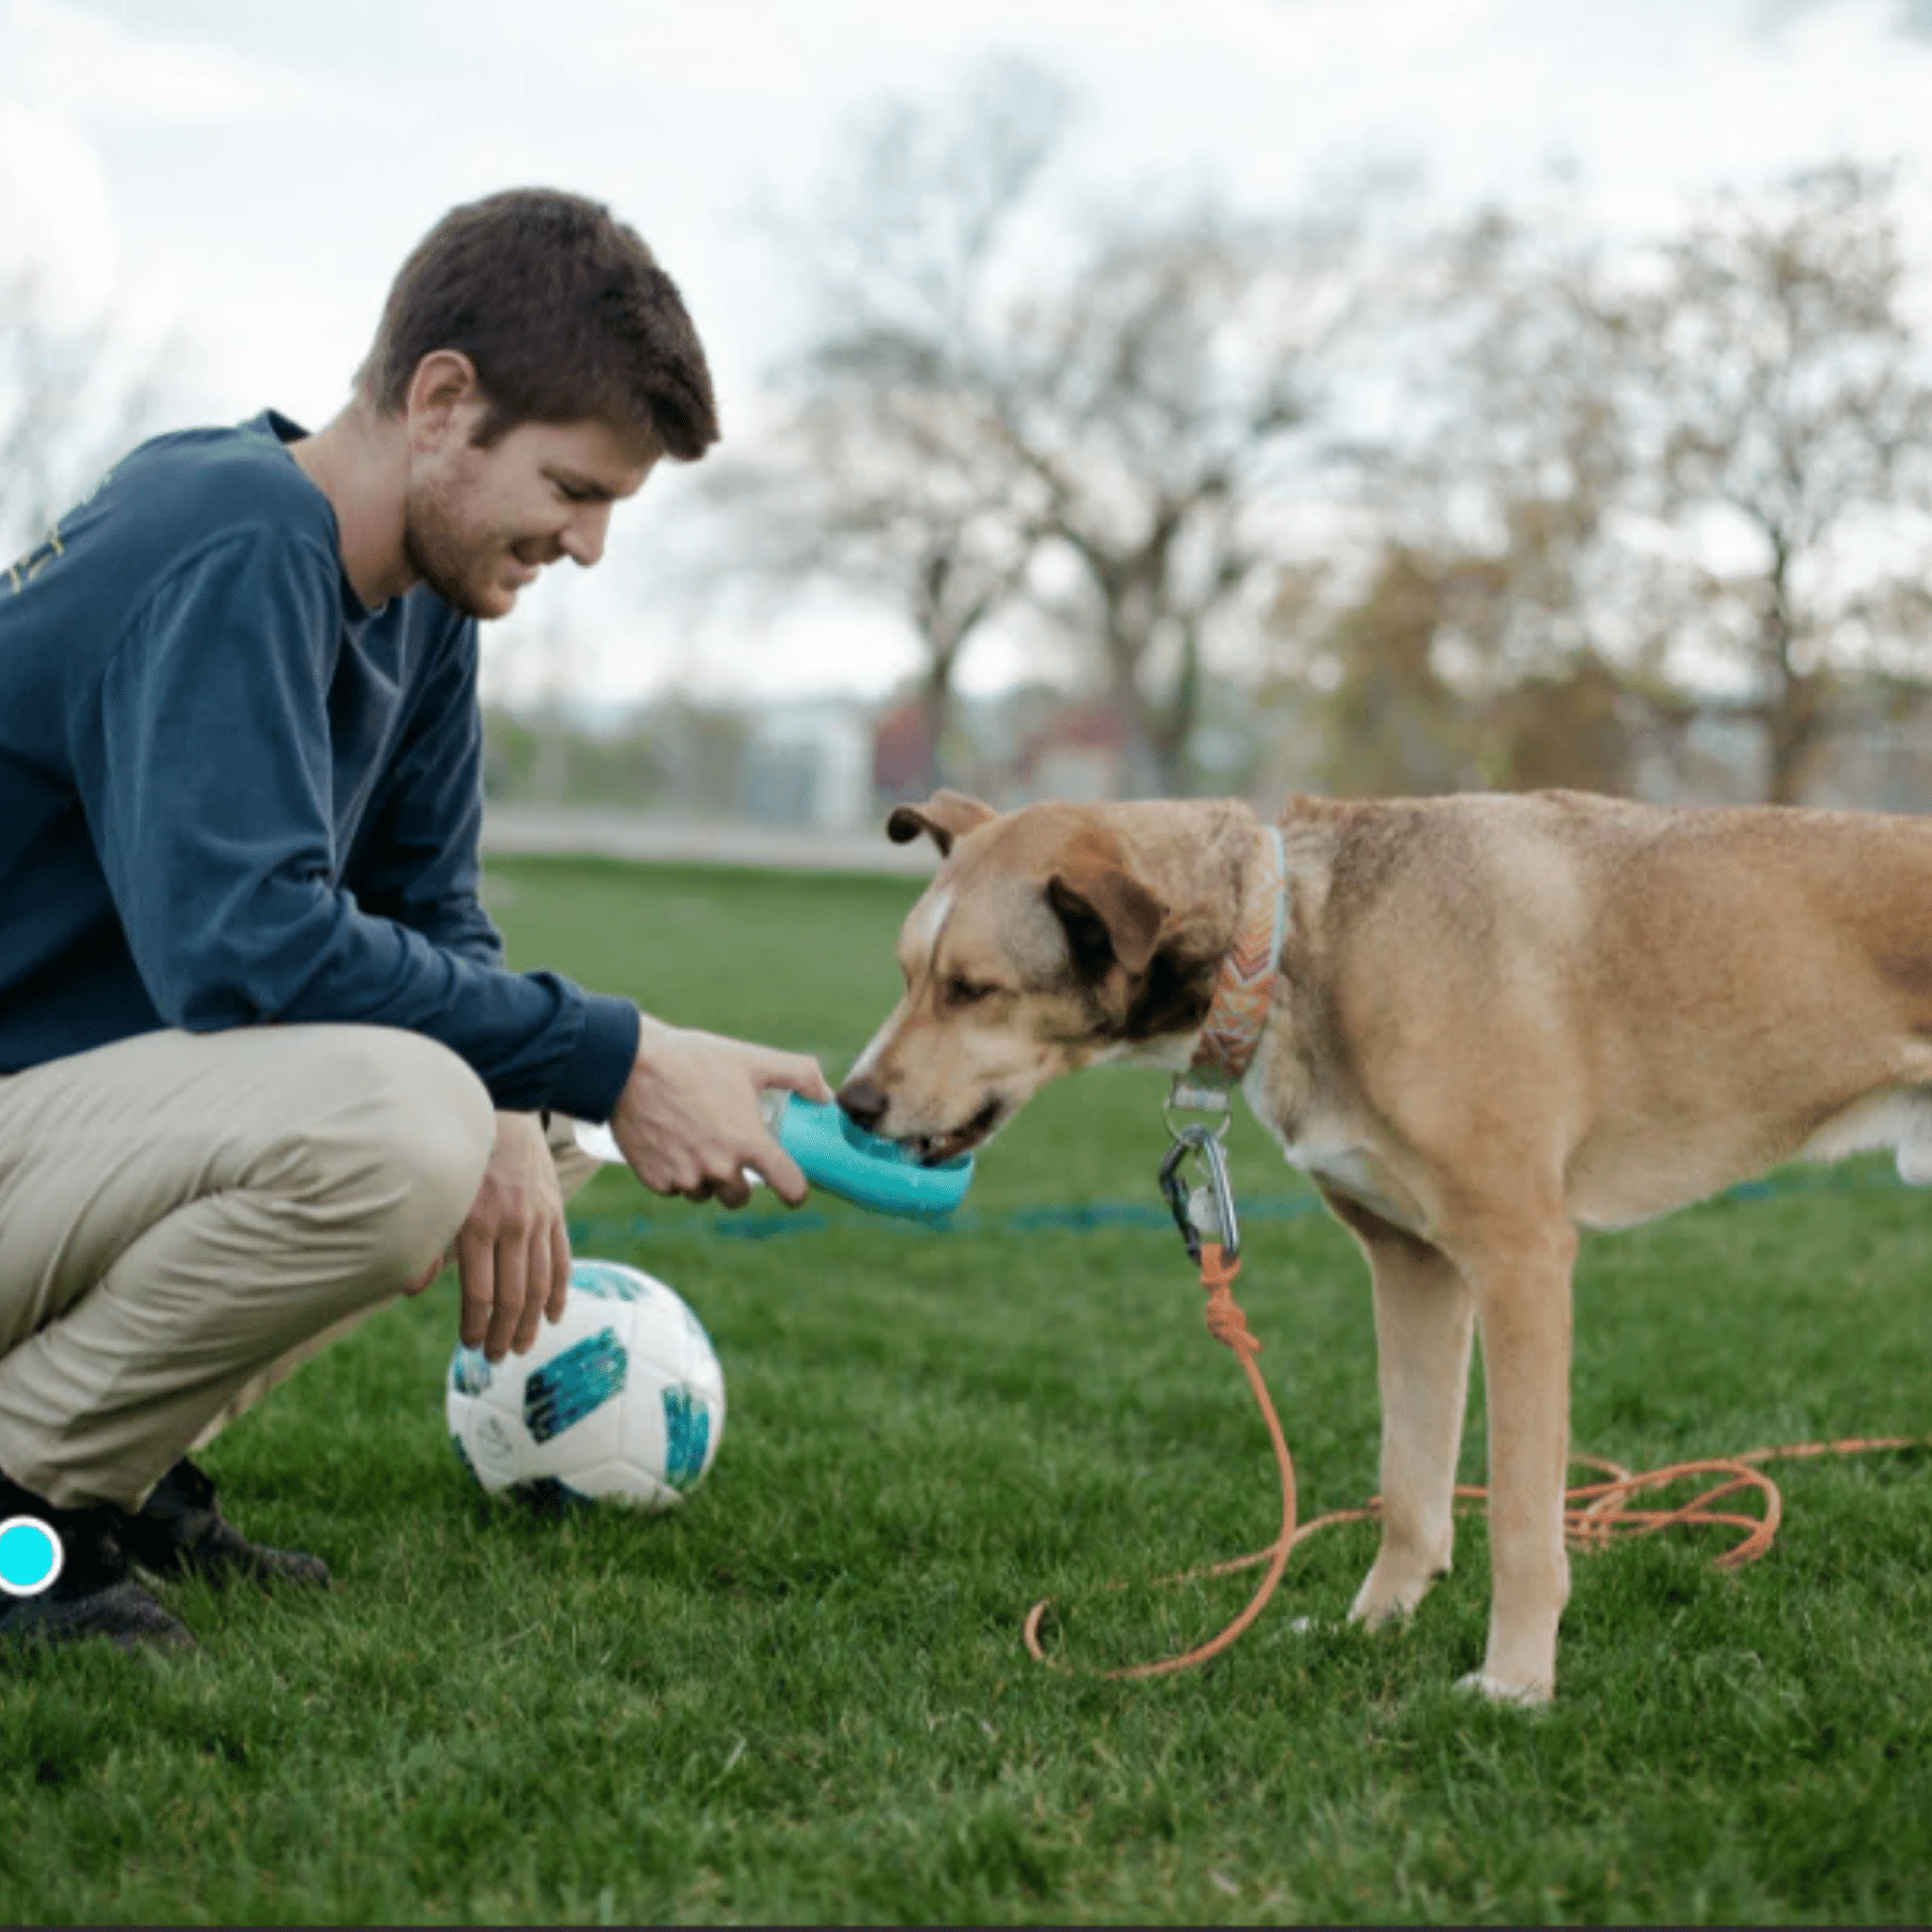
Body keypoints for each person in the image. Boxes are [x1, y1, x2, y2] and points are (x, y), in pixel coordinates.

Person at [0, 188, 830, 1652]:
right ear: (442, 400)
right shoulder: (235, 531)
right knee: (408, 1122)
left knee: (513, 1126)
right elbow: (246, 944)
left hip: (54, 1141)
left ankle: (118, 1476)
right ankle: (21, 1506)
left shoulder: (431, 598)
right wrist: (618, 1054)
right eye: (573, 490)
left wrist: (534, 1095)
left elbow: (430, 907)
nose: (585, 547)